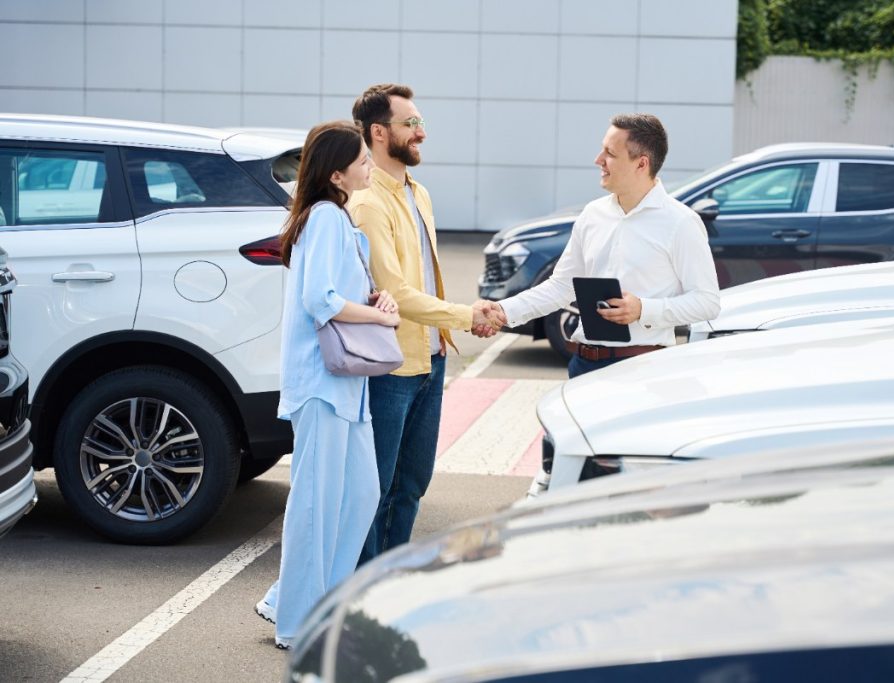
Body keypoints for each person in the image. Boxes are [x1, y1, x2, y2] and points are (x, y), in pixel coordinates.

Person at [255, 120, 399, 650]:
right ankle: (296, 622)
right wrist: (381, 319)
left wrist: (377, 299)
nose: (369, 166)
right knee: (316, 503)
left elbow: (338, 292)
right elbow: (321, 299)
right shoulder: (325, 218)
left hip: (344, 388)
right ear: (336, 173)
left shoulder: (335, 220)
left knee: (361, 493)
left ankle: (310, 604)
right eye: (362, 160)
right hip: (322, 385)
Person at [349, 83, 498, 564]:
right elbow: (396, 292)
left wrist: (451, 325)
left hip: (430, 361)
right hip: (391, 367)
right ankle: (363, 593)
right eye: (410, 124)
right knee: (376, 488)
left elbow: (424, 282)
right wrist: (465, 314)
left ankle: (392, 584)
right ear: (378, 132)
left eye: (420, 123)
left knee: (412, 485)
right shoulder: (370, 202)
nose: (421, 133)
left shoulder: (419, 194)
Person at [487, 114, 720, 378]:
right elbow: (562, 286)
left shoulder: (681, 223)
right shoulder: (592, 214)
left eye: (610, 153)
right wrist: (503, 311)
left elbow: (707, 302)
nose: (598, 160)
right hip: (583, 367)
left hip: (644, 372)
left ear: (641, 164)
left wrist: (643, 309)